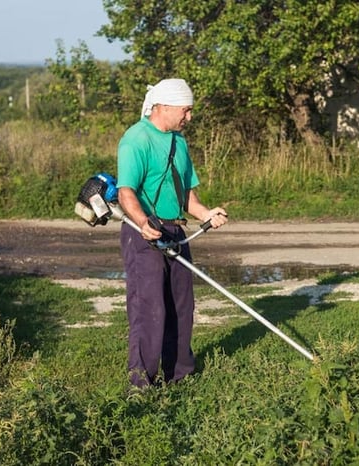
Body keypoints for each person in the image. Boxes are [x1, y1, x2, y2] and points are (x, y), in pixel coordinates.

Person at [116, 78, 228, 388]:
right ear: (164, 107)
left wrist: (206, 213)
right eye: (186, 111)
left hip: (176, 230)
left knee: (182, 306)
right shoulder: (136, 139)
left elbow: (187, 195)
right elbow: (126, 193)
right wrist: (142, 223)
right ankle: (141, 384)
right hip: (143, 231)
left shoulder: (179, 143)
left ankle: (180, 376)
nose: (189, 117)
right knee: (149, 308)